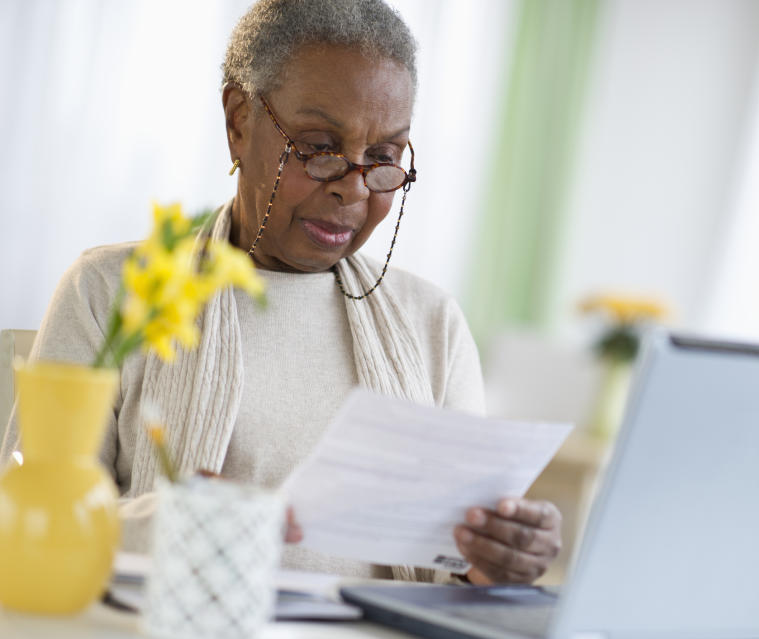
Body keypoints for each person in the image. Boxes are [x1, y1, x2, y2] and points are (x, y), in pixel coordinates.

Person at [1, 0, 562, 585]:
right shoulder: (112, 294)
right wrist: (187, 522)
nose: (353, 190)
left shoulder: (433, 323)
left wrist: (497, 559)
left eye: (383, 158)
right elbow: (31, 528)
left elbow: (456, 571)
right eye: (319, 147)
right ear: (239, 121)